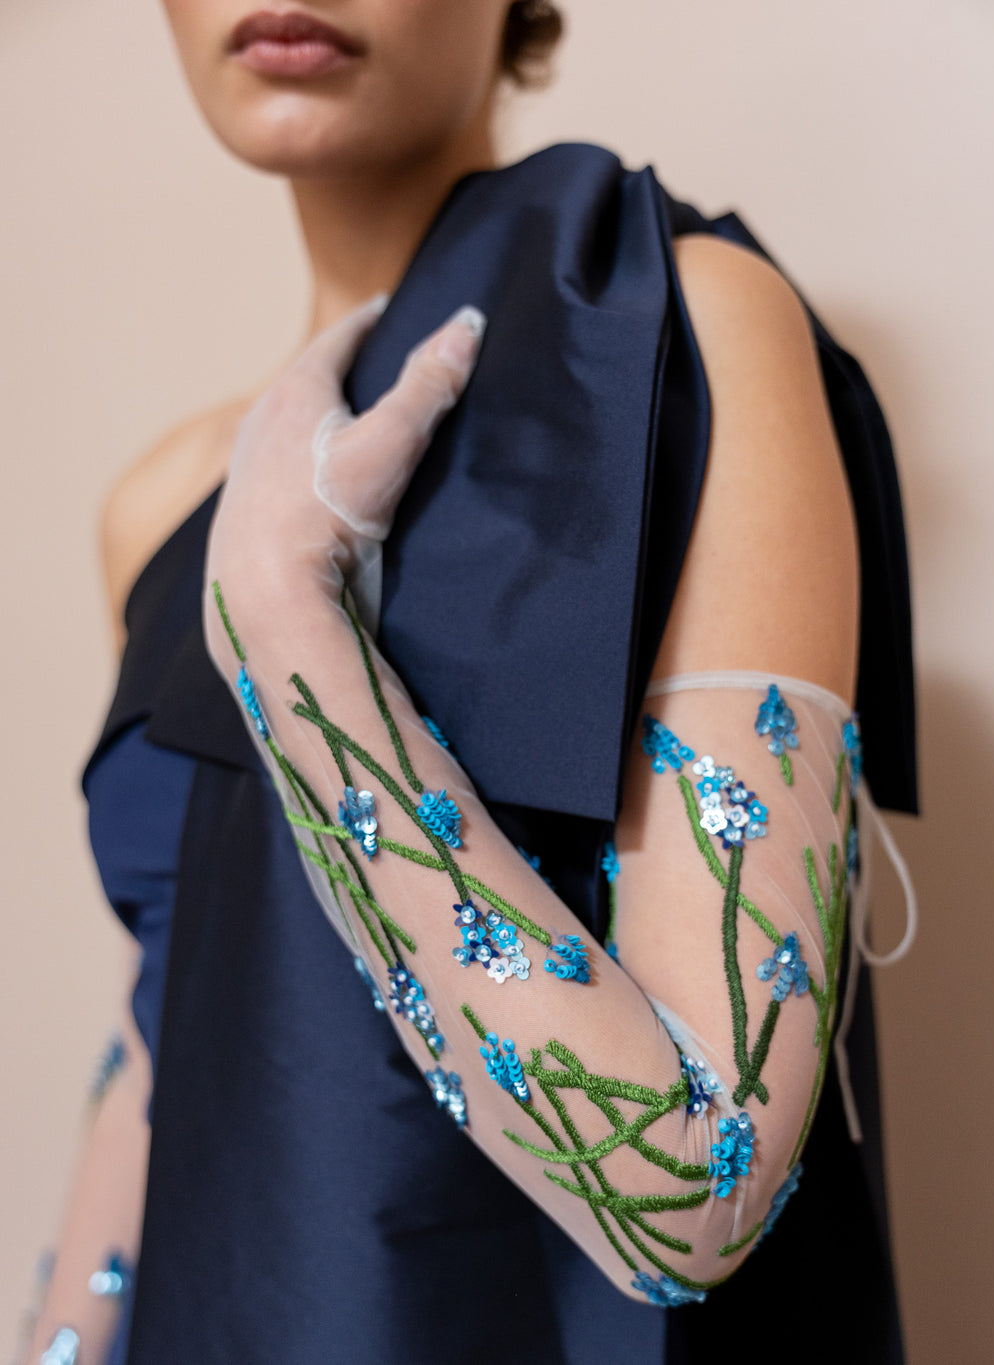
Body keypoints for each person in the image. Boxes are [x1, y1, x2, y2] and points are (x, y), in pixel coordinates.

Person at [22, 3, 917, 1363]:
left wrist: (291, 632)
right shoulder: (159, 509)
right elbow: (169, 1030)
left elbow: (693, 1186)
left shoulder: (681, 329)